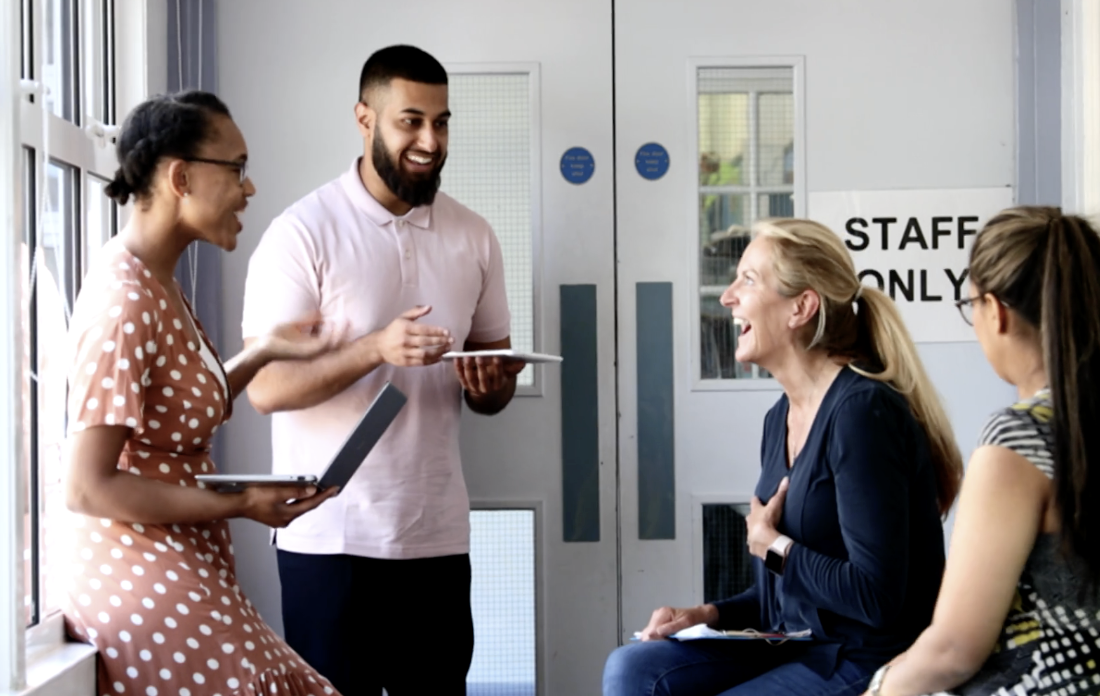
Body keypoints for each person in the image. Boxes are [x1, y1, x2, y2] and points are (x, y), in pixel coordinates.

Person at [240, 44, 520, 695]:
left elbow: (493, 381)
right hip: (327, 540)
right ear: (364, 120)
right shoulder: (301, 234)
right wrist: (374, 348)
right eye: (410, 120)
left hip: (437, 537)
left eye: (442, 122)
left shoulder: (474, 236)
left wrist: (491, 387)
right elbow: (268, 389)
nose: (430, 139)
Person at [61, 90, 346, 696]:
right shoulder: (125, 300)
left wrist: (266, 350)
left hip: (177, 554)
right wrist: (241, 503)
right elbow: (87, 486)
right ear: (181, 177)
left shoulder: (156, 282)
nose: (250, 189)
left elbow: (180, 407)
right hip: (134, 565)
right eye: (237, 169)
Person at [603, 218, 964, 696]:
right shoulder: (780, 419)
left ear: (802, 307)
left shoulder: (861, 413)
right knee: (632, 669)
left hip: (866, 658)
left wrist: (775, 547)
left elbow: (876, 598)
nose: (727, 296)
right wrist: (707, 615)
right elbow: (784, 593)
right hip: (800, 646)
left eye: (748, 280)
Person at [861, 206, 1100, 696]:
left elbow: (953, 649)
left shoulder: (1019, 439)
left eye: (969, 305)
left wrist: (878, 689)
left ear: (996, 311)